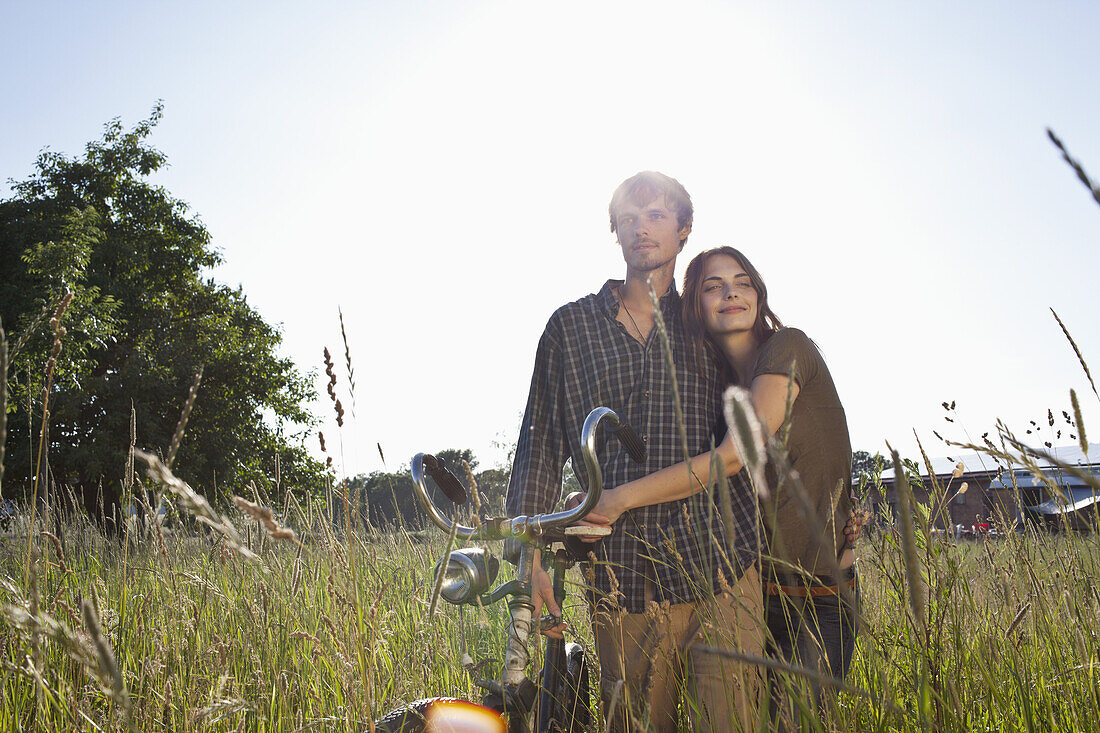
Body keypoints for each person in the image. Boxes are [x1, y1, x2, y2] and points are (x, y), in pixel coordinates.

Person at [505, 173, 764, 732]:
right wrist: (528, 552)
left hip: (723, 565)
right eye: (628, 215)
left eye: (656, 214)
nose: (640, 225)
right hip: (623, 577)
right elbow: (539, 444)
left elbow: (761, 428)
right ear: (615, 231)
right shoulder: (569, 328)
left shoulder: (708, 320)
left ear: (684, 230)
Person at [583, 246, 859, 722]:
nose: (730, 292)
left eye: (742, 281)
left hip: (819, 602)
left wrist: (619, 500)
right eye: (713, 286)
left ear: (759, 294)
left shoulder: (789, 347)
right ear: (694, 306)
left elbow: (732, 458)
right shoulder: (714, 387)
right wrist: (587, 493)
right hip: (754, 593)